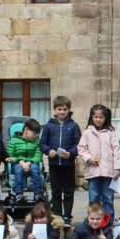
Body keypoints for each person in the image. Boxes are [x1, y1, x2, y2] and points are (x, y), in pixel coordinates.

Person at [40, 95, 82, 226]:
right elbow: (42, 144)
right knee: (56, 191)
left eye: (64, 109)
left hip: (68, 164)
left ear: (69, 110)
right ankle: (57, 215)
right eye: (59, 109)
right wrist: (48, 151)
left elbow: (79, 144)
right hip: (54, 165)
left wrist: (70, 153)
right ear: (55, 110)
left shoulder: (73, 126)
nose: (62, 112)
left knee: (69, 191)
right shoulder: (49, 126)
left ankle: (67, 216)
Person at [77, 104, 120, 219]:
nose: (98, 119)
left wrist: (117, 169)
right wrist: (89, 159)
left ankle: (109, 221)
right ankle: (93, 220)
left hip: (108, 172)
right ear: (92, 117)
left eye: (101, 117)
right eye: (96, 117)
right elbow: (81, 148)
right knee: (94, 198)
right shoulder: (87, 132)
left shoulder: (111, 133)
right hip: (93, 172)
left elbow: (117, 152)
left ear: (105, 118)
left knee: (108, 197)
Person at [5, 119, 44, 202]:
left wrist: (29, 162)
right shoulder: (14, 140)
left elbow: (38, 155)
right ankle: (18, 194)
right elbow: (10, 155)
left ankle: (38, 194)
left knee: (34, 168)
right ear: (26, 130)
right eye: (34, 133)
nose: (36, 136)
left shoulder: (36, 142)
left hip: (31, 162)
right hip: (17, 164)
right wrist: (20, 161)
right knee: (18, 168)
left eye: (37, 134)